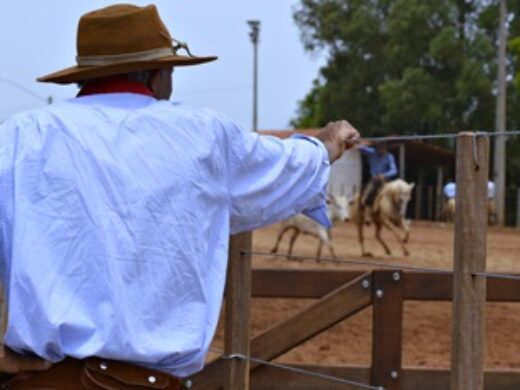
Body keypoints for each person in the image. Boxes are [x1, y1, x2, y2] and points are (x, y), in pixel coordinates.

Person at [0, 4, 360, 389]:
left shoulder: (20, 137)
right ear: (159, 74)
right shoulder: (201, 136)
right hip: (153, 383)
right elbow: (285, 166)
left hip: (47, 382)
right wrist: (326, 143)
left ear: (87, 74)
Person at [358, 142, 398, 212]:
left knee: (395, 194)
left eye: (384, 147)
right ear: (377, 147)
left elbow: (394, 170)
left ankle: (396, 212)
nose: (382, 149)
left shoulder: (389, 156)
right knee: (367, 194)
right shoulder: (372, 152)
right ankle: (366, 211)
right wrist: (366, 143)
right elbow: (360, 148)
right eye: (380, 146)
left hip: (385, 179)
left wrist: (384, 175)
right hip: (374, 179)